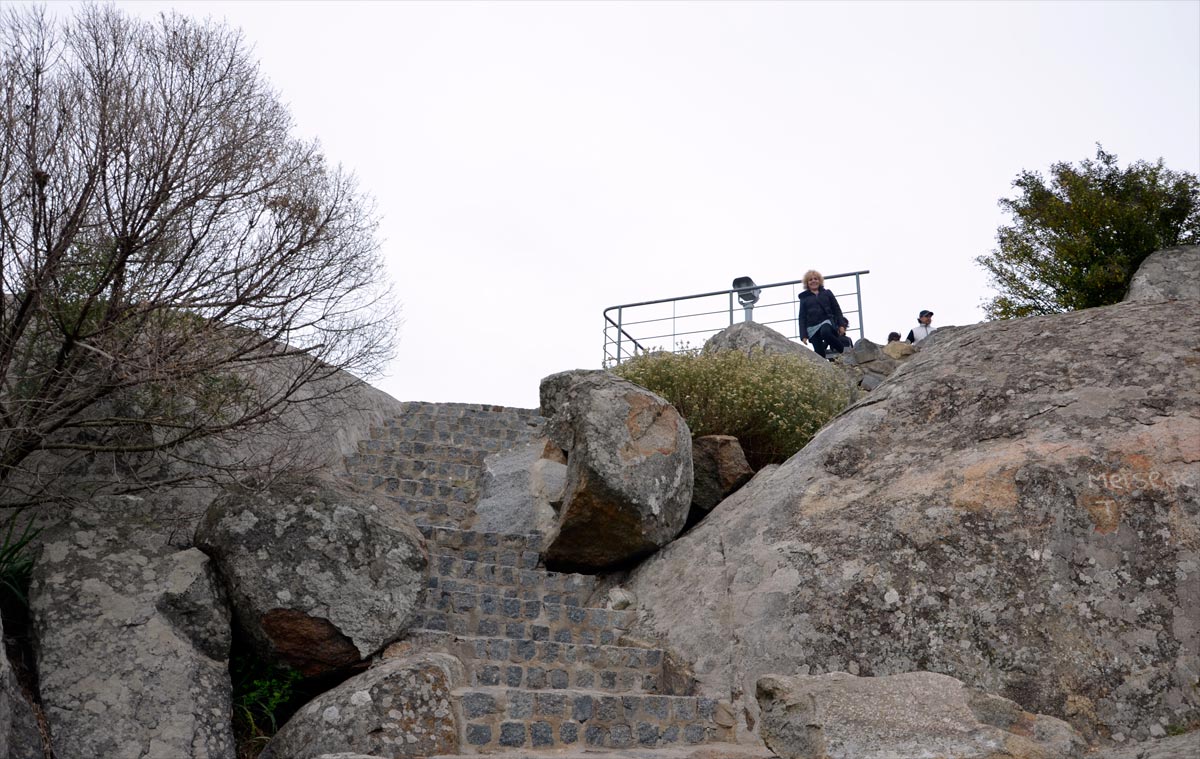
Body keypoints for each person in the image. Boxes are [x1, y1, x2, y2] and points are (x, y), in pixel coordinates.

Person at [797, 270, 845, 357]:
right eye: (810, 280)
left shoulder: (827, 293)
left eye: (816, 279)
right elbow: (802, 317)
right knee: (819, 352)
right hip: (811, 327)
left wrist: (842, 325)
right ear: (807, 283)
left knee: (825, 332)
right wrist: (803, 335)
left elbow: (837, 310)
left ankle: (844, 351)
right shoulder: (804, 298)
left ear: (820, 281)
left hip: (826, 321)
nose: (813, 281)